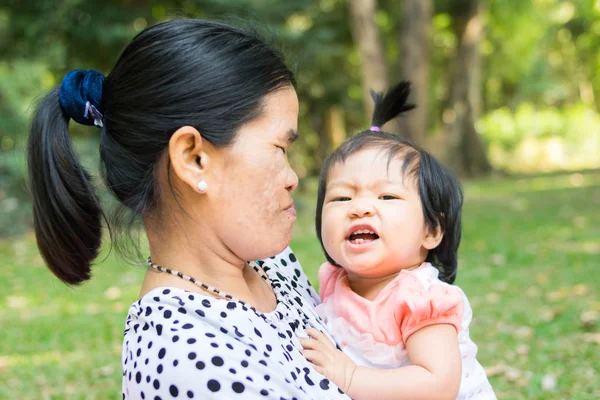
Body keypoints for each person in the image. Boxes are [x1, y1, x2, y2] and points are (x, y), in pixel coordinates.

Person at [27, 18, 351, 399]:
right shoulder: (188, 356)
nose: (293, 177)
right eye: (280, 148)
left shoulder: (271, 266)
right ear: (194, 158)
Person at [299, 82, 496, 399]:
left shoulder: (420, 300)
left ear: (430, 231)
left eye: (387, 196)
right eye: (341, 198)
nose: (359, 208)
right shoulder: (333, 282)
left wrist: (350, 376)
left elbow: (438, 385)